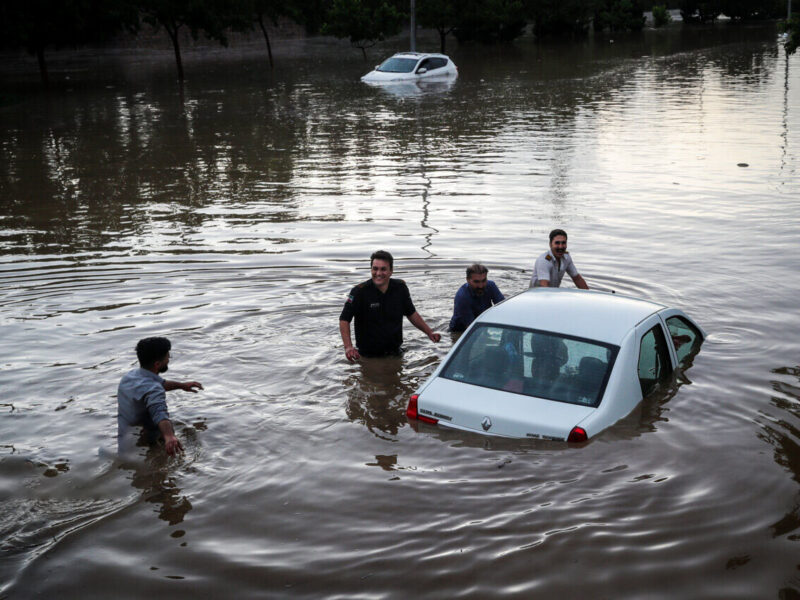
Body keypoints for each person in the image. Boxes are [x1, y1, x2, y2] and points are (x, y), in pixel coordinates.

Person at [339, 250, 441, 361]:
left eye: (383, 269)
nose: (378, 273)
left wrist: (429, 332)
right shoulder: (359, 292)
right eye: (375, 269)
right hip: (369, 356)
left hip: (395, 353)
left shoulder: (400, 288)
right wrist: (348, 347)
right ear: (371, 269)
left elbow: (411, 313)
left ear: (391, 271)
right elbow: (344, 319)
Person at [117, 337, 203, 456]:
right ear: (157, 364)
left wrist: (182, 385)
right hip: (149, 443)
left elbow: (158, 385)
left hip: (127, 439)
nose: (169, 359)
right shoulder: (154, 388)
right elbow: (159, 412)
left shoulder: (129, 377)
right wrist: (169, 436)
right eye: (168, 357)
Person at [449, 263, 505, 332]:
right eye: (476, 282)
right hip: (460, 331)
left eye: (484, 280)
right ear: (468, 280)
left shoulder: (491, 286)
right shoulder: (462, 297)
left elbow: (504, 308)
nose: (481, 286)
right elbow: (471, 329)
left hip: (480, 323)